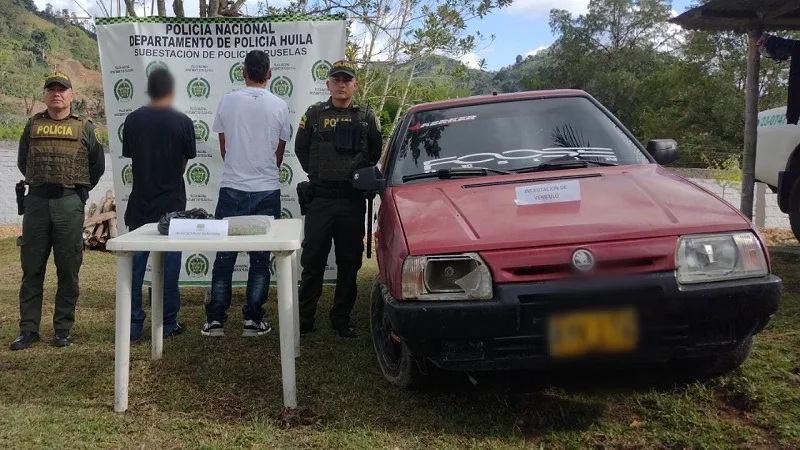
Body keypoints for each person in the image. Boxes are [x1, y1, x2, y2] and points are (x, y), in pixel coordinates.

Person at [10, 72, 105, 350]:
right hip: (37, 203)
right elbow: (23, 162)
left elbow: (96, 167)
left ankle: (62, 328)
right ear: (44, 95)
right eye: (51, 89)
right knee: (32, 268)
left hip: (69, 203)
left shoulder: (85, 128)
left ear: (71, 95)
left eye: (62, 89)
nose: (57, 94)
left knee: (68, 268)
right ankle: (28, 329)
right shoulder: (32, 125)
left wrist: (73, 190)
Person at [201, 50, 290, 337]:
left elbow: (224, 147)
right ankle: (252, 320)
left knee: (224, 258)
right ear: (269, 74)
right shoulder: (280, 105)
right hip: (266, 189)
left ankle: (216, 320)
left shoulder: (228, 101)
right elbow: (279, 154)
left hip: (232, 189)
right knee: (261, 260)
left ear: (243, 72)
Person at [295, 60, 383, 338]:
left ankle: (341, 318)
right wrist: (318, 174)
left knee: (349, 262)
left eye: (347, 80)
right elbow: (301, 149)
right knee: (313, 261)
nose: (342, 84)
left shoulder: (367, 116)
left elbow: (374, 152)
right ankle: (304, 319)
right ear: (328, 85)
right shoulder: (314, 114)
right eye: (337, 79)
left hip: (351, 200)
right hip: (320, 199)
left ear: (355, 84)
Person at [122, 68, 196, 342]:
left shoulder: (132, 120)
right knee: (169, 268)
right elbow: (183, 165)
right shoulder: (184, 122)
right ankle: (167, 323)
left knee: (135, 268)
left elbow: (133, 157)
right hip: (173, 204)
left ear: (149, 90)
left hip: (140, 202)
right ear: (171, 91)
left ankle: (132, 325)